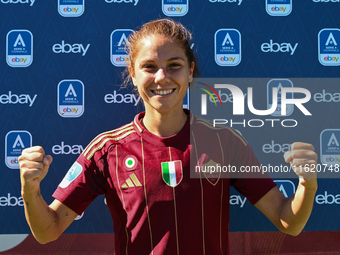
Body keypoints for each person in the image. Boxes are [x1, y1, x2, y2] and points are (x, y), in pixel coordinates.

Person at [19, 18, 318, 255]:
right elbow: (49, 231)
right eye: (149, 67)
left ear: (190, 71)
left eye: (174, 66)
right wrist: (30, 191)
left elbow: (287, 221)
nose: (162, 77)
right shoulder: (107, 150)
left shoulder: (225, 142)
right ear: (133, 75)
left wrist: (308, 183)